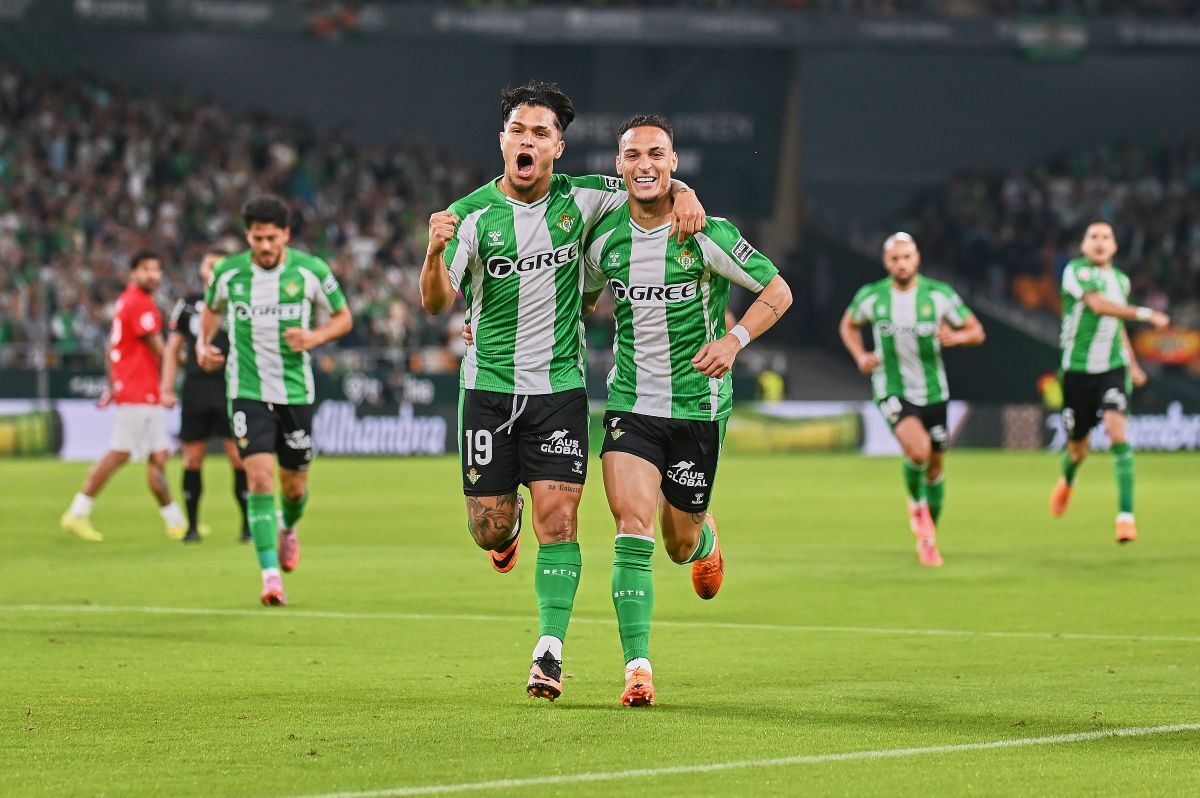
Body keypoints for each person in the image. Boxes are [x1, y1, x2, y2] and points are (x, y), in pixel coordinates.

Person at [419, 81, 705, 702]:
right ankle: (505, 531)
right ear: (502, 141)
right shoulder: (468, 215)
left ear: (558, 147)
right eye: (518, 131)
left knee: (563, 520)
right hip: (489, 389)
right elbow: (436, 302)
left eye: (539, 134)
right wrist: (434, 252)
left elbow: (644, 184)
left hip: (559, 390)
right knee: (488, 531)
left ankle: (548, 651)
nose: (527, 141)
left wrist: (683, 190)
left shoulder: (586, 199)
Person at [580, 114, 791, 707]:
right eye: (631, 155)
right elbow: (582, 297)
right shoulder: (604, 238)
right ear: (618, 166)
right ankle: (637, 668)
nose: (644, 164)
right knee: (632, 531)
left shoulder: (707, 232)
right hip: (631, 404)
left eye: (656, 154)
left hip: (698, 407)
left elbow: (778, 291)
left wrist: (734, 342)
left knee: (677, 543)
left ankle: (704, 541)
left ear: (674, 164)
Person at [198, 196, 353, 605]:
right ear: (247, 235)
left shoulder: (310, 271)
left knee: (295, 488)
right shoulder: (228, 273)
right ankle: (270, 578)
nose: (264, 246)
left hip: (295, 393)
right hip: (246, 391)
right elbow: (211, 310)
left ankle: (288, 527)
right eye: (256, 238)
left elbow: (343, 317)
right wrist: (203, 344)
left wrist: (315, 337)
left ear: (285, 234)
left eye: (271, 237)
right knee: (259, 480)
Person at [839, 232, 985, 567]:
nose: (901, 264)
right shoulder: (872, 296)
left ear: (916, 258)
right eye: (895, 259)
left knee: (935, 468)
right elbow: (848, 325)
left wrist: (958, 336)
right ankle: (916, 505)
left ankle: (928, 536)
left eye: (906, 257)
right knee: (918, 451)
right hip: (891, 387)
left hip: (934, 392)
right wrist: (861, 355)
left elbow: (977, 331)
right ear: (886, 262)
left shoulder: (939, 295)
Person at [1048, 221, 1169, 542]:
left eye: (1106, 237)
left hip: (1112, 369)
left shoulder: (1121, 281)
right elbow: (1099, 307)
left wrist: (1132, 364)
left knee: (1118, 433)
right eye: (1093, 237)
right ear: (1084, 246)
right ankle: (1068, 479)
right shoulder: (1076, 272)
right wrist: (1146, 315)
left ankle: (1125, 516)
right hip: (1076, 372)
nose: (1099, 242)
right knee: (1078, 449)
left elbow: (1115, 325)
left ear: (1115, 246)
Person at [61, 251, 187, 542]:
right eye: (146, 269)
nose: (153, 275)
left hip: (140, 389)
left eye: (157, 269)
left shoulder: (127, 301)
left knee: (158, 455)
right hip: (140, 390)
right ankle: (78, 512)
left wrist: (112, 385)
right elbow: (161, 349)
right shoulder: (140, 304)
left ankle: (176, 522)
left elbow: (110, 349)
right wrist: (189, 359)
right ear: (133, 273)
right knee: (120, 452)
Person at [162, 249, 250, 544]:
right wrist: (166, 388)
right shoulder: (187, 304)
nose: (212, 269)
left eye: (219, 265)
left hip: (232, 386)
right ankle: (192, 527)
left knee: (238, 456)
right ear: (201, 270)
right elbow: (173, 348)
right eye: (208, 263)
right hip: (197, 387)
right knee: (193, 457)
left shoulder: (241, 299)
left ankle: (248, 528)